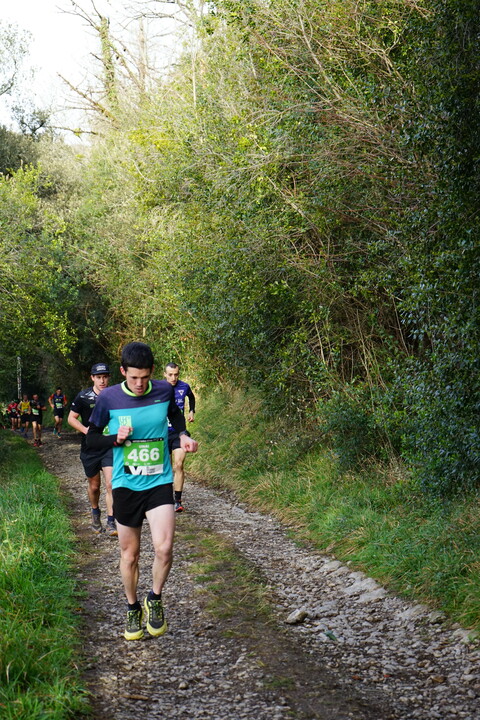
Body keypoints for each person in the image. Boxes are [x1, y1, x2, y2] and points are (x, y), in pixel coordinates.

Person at [86, 342, 198, 641]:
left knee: (164, 548)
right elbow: (91, 440)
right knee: (130, 555)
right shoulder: (108, 398)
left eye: (145, 377)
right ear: (123, 371)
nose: (139, 384)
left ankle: (155, 598)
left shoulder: (162, 390)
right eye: (134, 377)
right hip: (126, 485)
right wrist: (115, 439)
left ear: (152, 372)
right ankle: (133, 607)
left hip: (159, 481)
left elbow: (175, 415)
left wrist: (183, 435)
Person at [68, 363, 117, 536]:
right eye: (99, 377)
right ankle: (95, 512)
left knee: (111, 484)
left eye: (105, 377)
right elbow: (71, 418)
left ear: (109, 377)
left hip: (109, 446)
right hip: (90, 447)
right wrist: (86, 430)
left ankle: (111, 522)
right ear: (92, 378)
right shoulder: (83, 396)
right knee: (95, 486)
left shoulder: (115, 395)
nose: (102, 380)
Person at [164, 362, 196, 512]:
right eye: (170, 375)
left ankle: (177, 500)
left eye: (176, 374)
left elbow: (191, 397)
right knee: (165, 468)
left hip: (179, 433)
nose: (173, 378)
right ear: (165, 374)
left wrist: (192, 411)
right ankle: (164, 499)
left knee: (178, 465)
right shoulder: (159, 389)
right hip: (162, 433)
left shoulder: (184, 386)